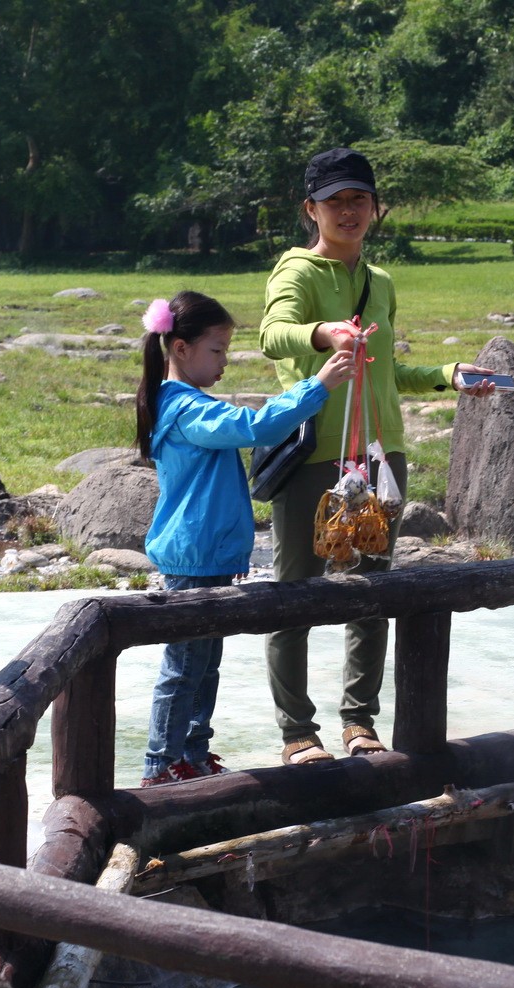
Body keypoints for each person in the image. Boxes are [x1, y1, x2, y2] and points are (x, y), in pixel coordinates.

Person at [260, 146, 496, 766]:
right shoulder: (297, 273)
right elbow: (272, 334)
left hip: (379, 457)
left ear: (375, 208)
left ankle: (358, 723)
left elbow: (386, 372)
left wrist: (448, 373)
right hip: (313, 453)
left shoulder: (381, 282)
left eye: (358, 200)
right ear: (310, 209)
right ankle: (296, 732)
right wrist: (323, 334)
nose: (348, 211)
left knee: (370, 590)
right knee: (296, 592)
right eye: (334, 201)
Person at [137, 290, 353, 786]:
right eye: (217, 350)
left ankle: (190, 754)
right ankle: (161, 765)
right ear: (181, 349)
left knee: (203, 665)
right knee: (183, 667)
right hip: (192, 558)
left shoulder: (182, 403)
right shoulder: (185, 410)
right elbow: (253, 427)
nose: (224, 363)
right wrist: (315, 386)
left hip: (206, 555)